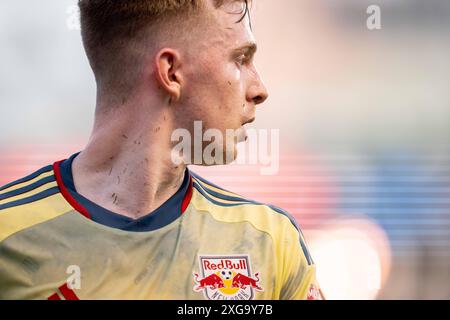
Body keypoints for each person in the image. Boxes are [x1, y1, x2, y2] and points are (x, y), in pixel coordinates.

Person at [0, 0, 323, 300]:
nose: (259, 90)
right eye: (240, 59)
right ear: (170, 72)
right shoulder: (8, 235)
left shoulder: (269, 241)